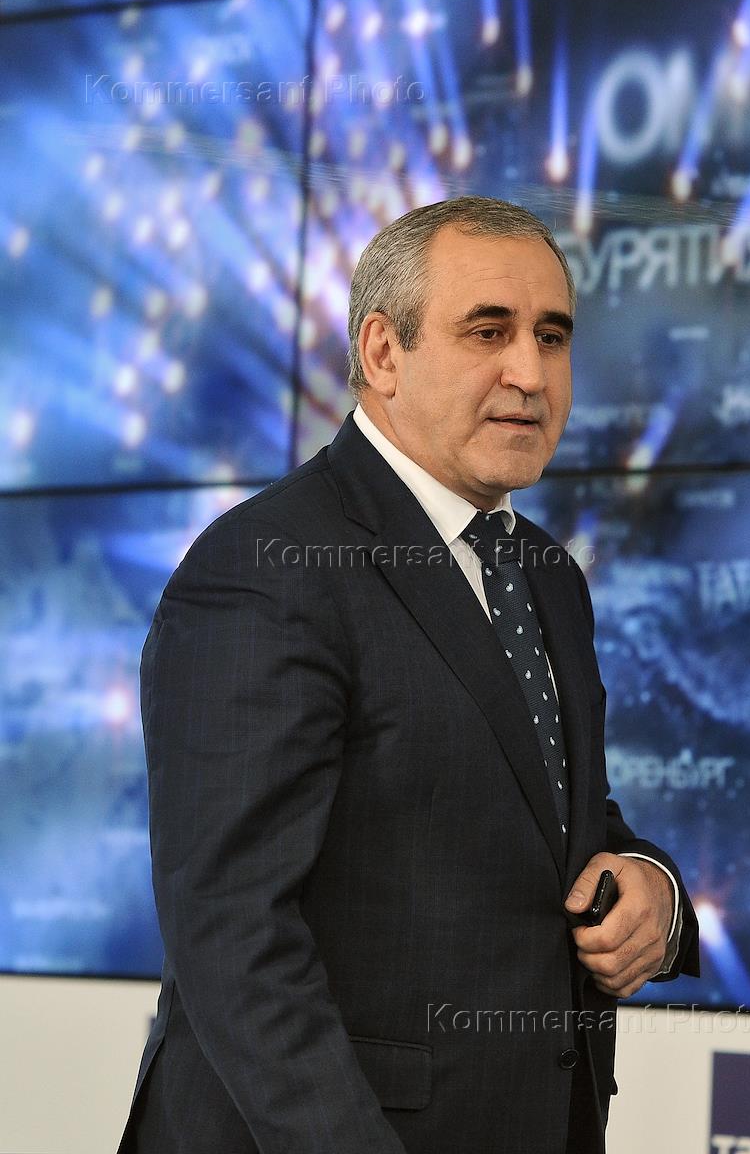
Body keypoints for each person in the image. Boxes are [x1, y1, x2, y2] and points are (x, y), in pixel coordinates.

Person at [118, 196, 699, 1154]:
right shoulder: (266, 567)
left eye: (552, 337)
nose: (530, 373)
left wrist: (651, 889)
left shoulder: (546, 575)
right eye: (488, 332)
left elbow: (557, 823)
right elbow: (232, 932)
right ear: (383, 353)